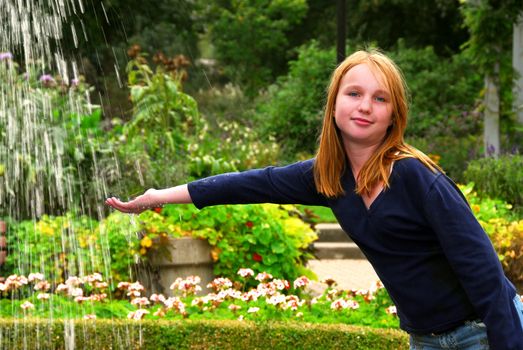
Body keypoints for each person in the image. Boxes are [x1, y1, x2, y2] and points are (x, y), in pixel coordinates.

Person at [106, 49, 523, 349]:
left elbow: (485, 277)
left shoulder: (417, 178)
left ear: (395, 113)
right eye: (354, 94)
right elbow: (250, 184)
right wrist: (158, 196)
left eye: (380, 98)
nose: (365, 106)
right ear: (334, 103)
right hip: (425, 339)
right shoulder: (329, 176)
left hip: (483, 332)